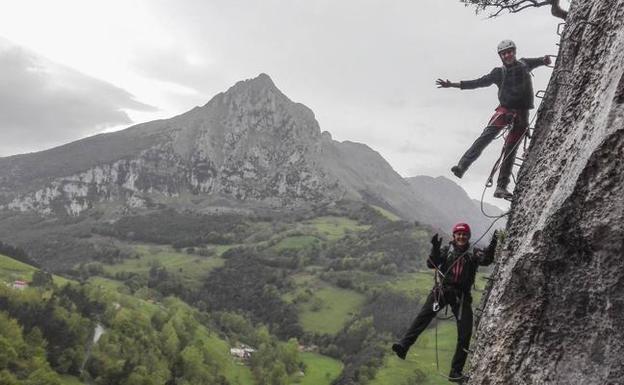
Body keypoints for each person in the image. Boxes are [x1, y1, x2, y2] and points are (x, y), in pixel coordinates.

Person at [436, 40, 552, 200]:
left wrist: (545, 60)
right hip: (504, 110)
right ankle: (462, 166)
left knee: (510, 151)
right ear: (501, 56)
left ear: (514, 52)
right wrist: (453, 85)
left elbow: (541, 60)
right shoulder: (499, 72)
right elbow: (478, 82)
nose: (507, 55)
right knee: (485, 137)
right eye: (504, 53)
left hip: (522, 115)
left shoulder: (525, 64)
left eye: (509, 52)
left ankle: (501, 187)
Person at [392, 223, 498, 383]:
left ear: (468, 237)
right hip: (441, 290)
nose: (461, 237)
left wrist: (493, 245)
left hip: (461, 296)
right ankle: (403, 346)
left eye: (464, 234)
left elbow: (486, 260)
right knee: (423, 317)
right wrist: (435, 247)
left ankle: (455, 371)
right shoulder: (446, 250)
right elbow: (431, 263)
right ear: (454, 236)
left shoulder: (473, 253)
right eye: (458, 234)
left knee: (465, 333)